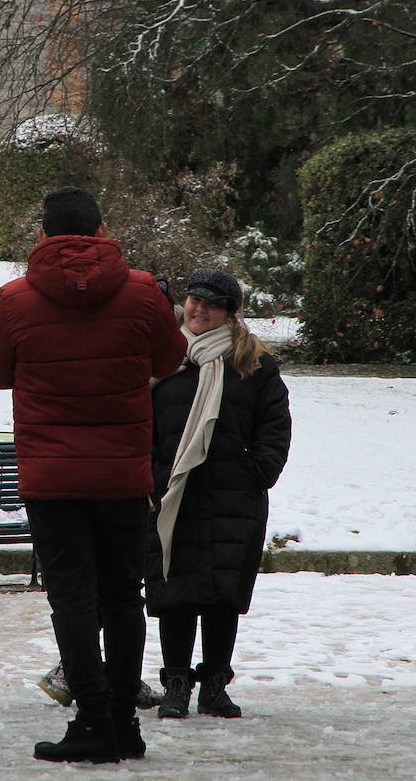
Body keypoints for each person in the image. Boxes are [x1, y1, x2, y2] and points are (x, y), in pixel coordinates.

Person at [0, 186, 186, 764]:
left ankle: (91, 720)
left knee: (72, 599)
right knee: (123, 598)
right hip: (122, 475)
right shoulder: (144, 292)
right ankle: (123, 723)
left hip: (53, 478)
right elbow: (170, 362)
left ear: (43, 234)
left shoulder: (15, 298)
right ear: (100, 231)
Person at [145, 269, 292, 720]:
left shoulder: (253, 363)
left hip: (233, 496)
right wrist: (151, 477)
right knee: (175, 591)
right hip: (173, 495)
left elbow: (275, 425)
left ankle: (214, 685)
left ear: (230, 312)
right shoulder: (164, 360)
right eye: (193, 300)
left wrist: (257, 472)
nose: (199, 309)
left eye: (211, 303)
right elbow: (138, 423)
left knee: (223, 593)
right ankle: (174, 684)